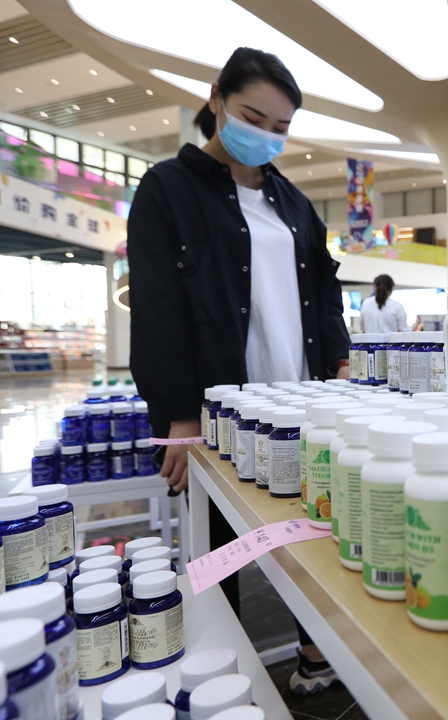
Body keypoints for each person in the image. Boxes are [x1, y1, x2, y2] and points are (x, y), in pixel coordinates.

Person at [126, 47, 348, 696]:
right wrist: (177, 414)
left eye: (281, 128)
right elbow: (159, 309)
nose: (267, 136)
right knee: (218, 543)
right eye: (256, 117)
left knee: (311, 529)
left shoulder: (292, 201)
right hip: (219, 409)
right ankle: (219, 680)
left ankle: (314, 651)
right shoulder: (169, 189)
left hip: (300, 400)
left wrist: (337, 359)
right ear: (217, 97)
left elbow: (326, 287)